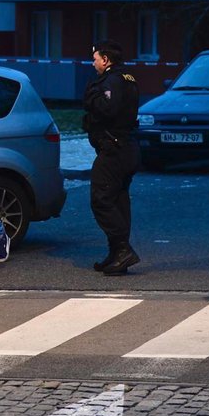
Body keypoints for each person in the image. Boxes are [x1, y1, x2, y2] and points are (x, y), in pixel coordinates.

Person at [83, 40, 141, 276]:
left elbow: (107, 110)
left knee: (101, 199)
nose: (93, 62)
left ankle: (123, 249)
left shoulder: (111, 81)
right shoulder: (129, 78)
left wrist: (90, 98)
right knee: (118, 200)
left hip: (114, 149)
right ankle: (117, 254)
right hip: (125, 147)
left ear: (106, 60)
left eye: (95, 58)